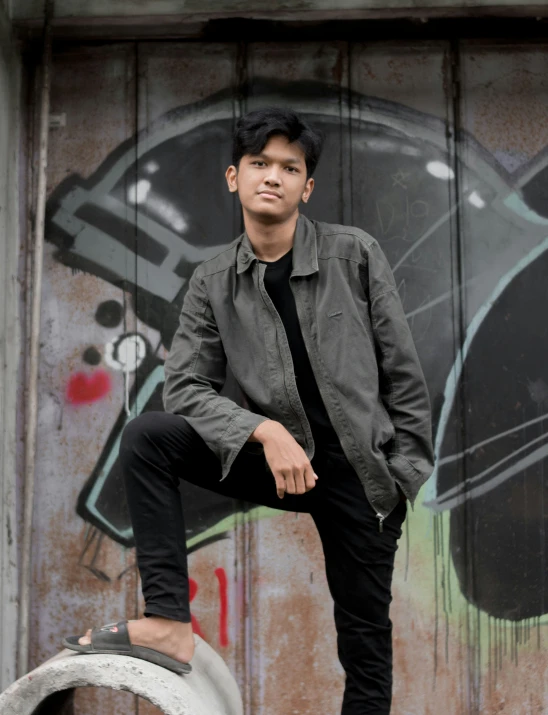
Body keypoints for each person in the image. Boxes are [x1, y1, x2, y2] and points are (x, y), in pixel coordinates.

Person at [64, 107, 434, 714]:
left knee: (365, 646)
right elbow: (184, 387)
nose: (273, 176)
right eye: (259, 163)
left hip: (359, 478)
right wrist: (262, 431)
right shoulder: (213, 280)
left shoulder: (354, 255)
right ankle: (167, 621)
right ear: (233, 177)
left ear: (306, 187)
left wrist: (400, 480)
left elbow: (403, 372)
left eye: (290, 167)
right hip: (276, 460)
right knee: (148, 436)